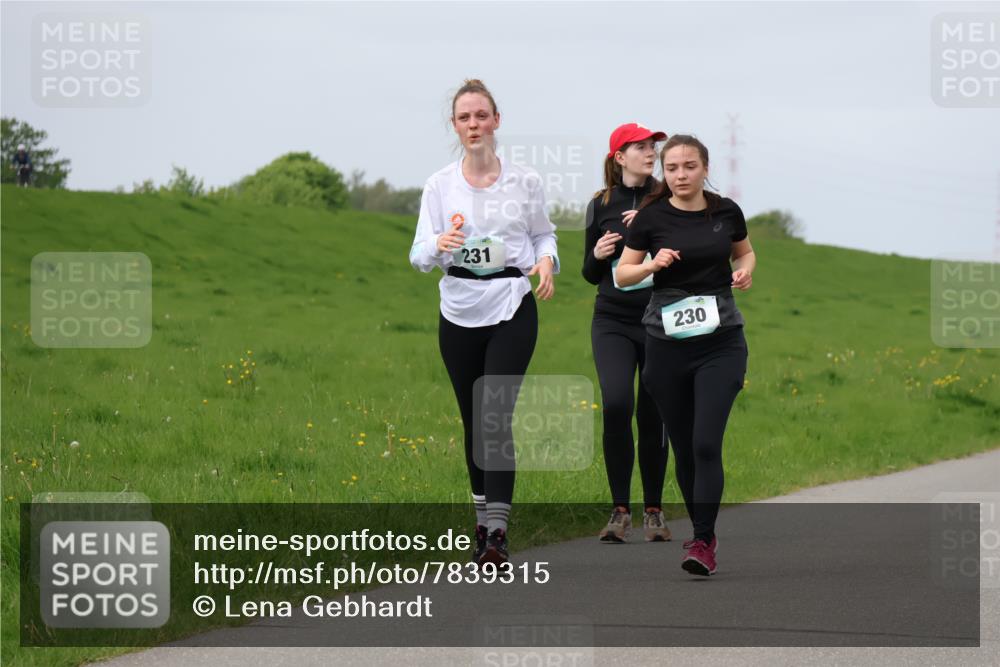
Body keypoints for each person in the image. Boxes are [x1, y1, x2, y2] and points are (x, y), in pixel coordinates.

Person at [409, 79, 559, 567]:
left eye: (481, 115)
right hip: (458, 307)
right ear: (454, 126)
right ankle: (480, 519)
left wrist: (546, 263)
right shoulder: (439, 185)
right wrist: (440, 246)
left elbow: (543, 235)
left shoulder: (525, 181)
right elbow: (418, 256)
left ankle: (497, 532)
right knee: (474, 421)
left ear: (497, 121)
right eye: (464, 117)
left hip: (512, 300)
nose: (473, 124)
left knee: (493, 415)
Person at [615, 134, 755, 576]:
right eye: (672, 168)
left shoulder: (725, 212)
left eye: (689, 166)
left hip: (721, 341)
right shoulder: (652, 216)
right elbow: (622, 274)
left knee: (705, 442)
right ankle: (701, 530)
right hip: (667, 344)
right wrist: (652, 266)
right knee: (683, 448)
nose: (680, 175)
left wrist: (744, 271)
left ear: (704, 168)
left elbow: (746, 252)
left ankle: (702, 540)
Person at [583, 123, 671, 543]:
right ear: (620, 156)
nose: (651, 152)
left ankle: (653, 511)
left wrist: (653, 224)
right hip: (612, 320)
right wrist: (599, 255)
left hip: (658, 318)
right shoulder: (600, 203)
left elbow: (685, 253)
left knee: (653, 413)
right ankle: (620, 511)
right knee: (617, 404)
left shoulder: (667, 197)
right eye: (641, 147)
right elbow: (587, 273)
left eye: (653, 146)